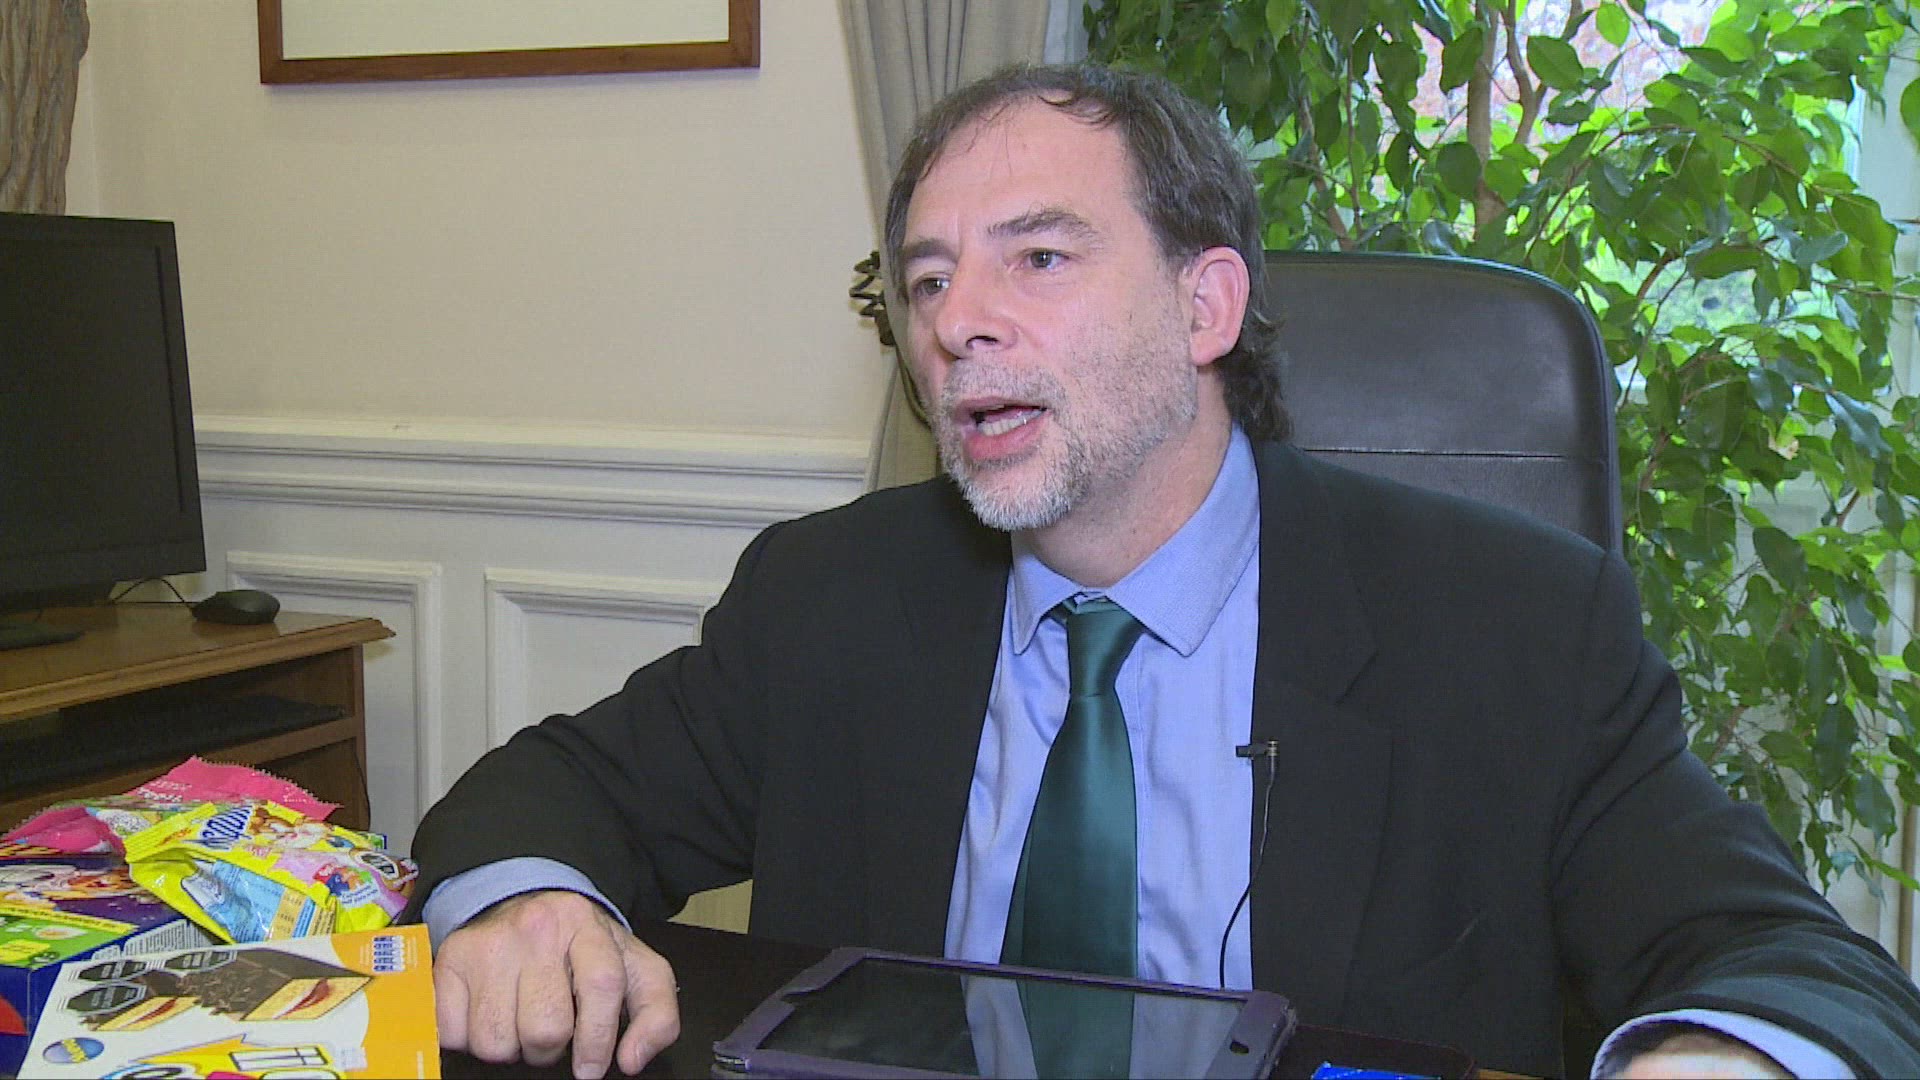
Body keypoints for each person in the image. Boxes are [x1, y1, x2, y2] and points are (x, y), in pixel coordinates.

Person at [406, 63, 1920, 1079]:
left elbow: (1780, 955)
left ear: (1206, 307)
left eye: (1039, 257)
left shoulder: (1512, 627)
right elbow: (548, 790)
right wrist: (529, 905)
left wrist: (1720, 1056)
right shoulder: (834, 598)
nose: (956, 324)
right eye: (927, 277)